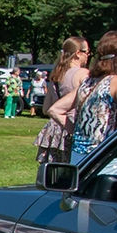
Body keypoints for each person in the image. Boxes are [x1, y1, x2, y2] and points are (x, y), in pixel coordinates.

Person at [50, 30, 117, 172]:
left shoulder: (88, 82)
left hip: (78, 154)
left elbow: (55, 110)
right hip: (105, 154)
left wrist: (74, 130)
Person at [35, 36, 90, 164]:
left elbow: (46, 108)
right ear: (77, 54)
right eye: (86, 52)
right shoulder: (83, 74)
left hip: (53, 129)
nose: (88, 56)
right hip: (71, 127)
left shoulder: (56, 74)